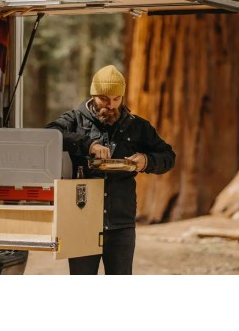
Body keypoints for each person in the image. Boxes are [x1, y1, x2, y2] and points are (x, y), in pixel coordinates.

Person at [46, 65, 176, 275]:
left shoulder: (138, 126)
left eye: (117, 99)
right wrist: (88, 144)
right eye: (105, 99)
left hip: (121, 224)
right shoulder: (74, 120)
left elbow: (169, 157)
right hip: (81, 220)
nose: (111, 105)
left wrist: (147, 160)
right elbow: (50, 134)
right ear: (94, 94)